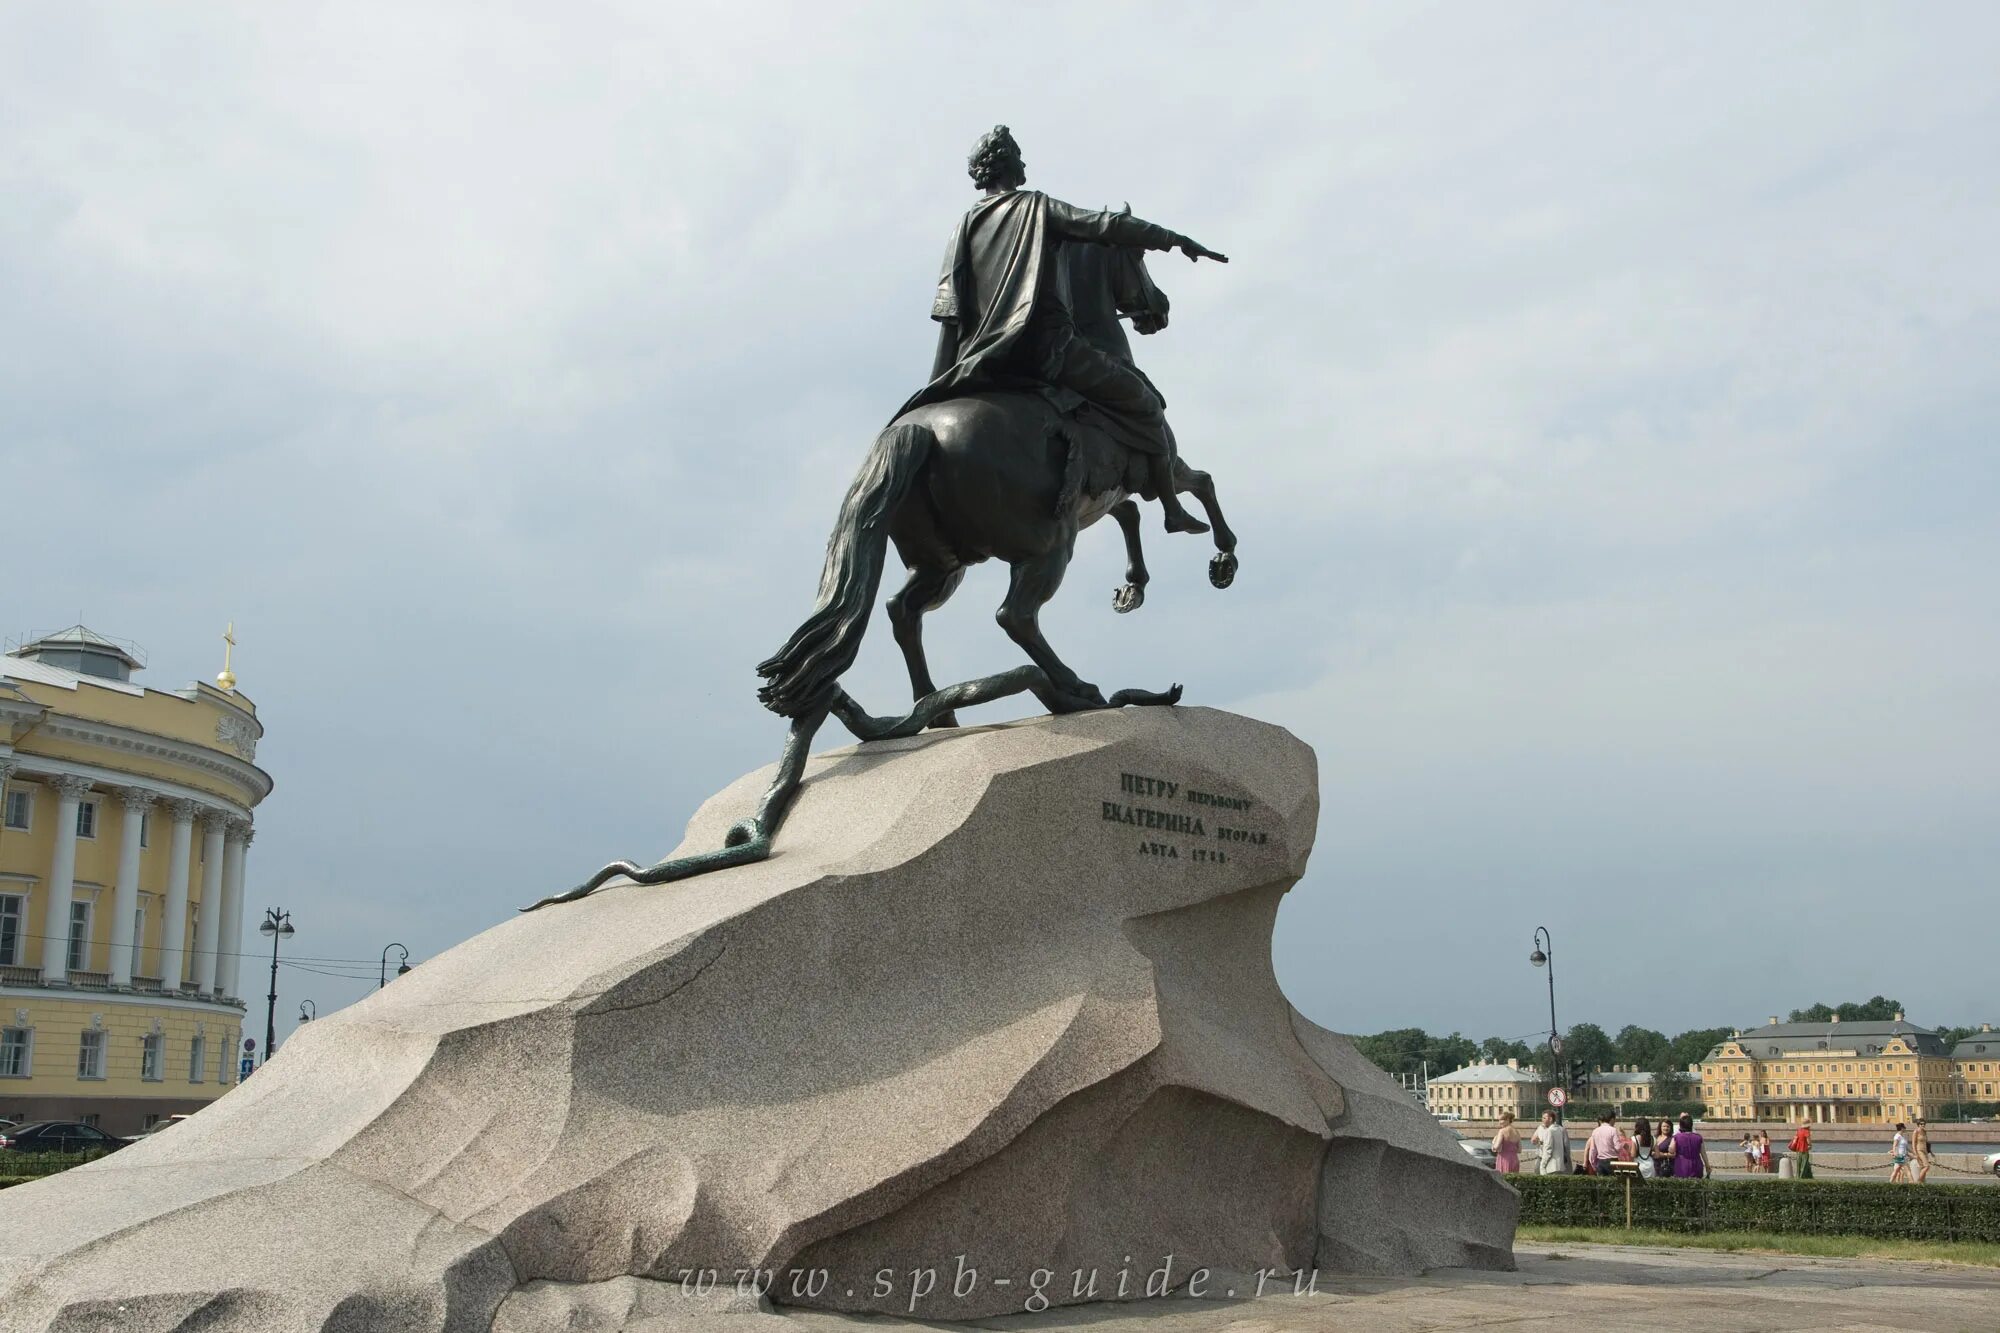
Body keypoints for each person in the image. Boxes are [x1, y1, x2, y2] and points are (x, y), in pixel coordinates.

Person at [909, 125, 1228, 536]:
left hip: (984, 360)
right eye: (1019, 157)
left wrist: (938, 386)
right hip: (1047, 351)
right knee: (1146, 404)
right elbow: (1105, 226)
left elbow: (949, 312)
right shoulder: (1036, 208)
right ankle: (1170, 508)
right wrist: (1174, 239)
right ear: (1007, 164)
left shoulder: (964, 226)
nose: (1024, 164)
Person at [1672, 1112, 1710, 1178]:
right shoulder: (1698, 1137)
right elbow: (1703, 1153)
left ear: (1681, 1125)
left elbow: (1671, 1150)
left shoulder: (1676, 1137)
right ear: (1691, 1125)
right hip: (1696, 1164)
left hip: (1681, 1164)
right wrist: (1707, 1165)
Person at [1533, 1111, 1572, 1175]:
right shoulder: (1561, 1129)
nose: (1542, 1120)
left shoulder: (1549, 1131)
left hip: (1550, 1166)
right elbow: (1566, 1147)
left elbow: (1548, 1149)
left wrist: (1543, 1165)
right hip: (1560, 1165)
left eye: (1544, 1118)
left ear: (1550, 1119)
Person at [1586, 1110, 1623, 1175]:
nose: (1615, 1122)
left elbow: (1593, 1150)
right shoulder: (1613, 1130)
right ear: (1612, 1119)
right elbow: (1618, 1148)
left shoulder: (1595, 1131)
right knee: (1614, 1182)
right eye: (1615, 1120)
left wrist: (1593, 1163)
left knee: (1602, 1183)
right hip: (1612, 1161)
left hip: (1600, 1162)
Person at [1914, 1119, 1934, 1184]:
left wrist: (1931, 1152)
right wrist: (1916, 1153)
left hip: (1925, 1150)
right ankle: (1919, 1181)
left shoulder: (1925, 1131)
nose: (1923, 1125)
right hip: (1919, 1150)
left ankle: (1922, 1183)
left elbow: (1927, 1143)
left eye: (1924, 1124)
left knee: (1923, 1167)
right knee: (1927, 1166)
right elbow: (1913, 1143)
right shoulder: (1916, 1132)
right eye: (1921, 1124)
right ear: (1918, 1125)